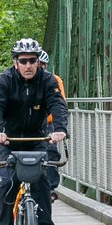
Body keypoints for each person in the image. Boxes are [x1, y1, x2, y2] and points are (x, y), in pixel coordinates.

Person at [0, 38, 68, 225]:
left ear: (38, 62)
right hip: (9, 140)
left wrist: (59, 129)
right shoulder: (5, 80)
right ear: (15, 62)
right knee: (8, 181)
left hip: (37, 139)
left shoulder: (47, 80)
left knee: (42, 180)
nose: (28, 65)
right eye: (23, 61)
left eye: (32, 60)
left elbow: (57, 104)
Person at [38, 51, 66, 192]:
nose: (40, 67)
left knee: (51, 150)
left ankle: (50, 188)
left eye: (43, 64)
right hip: (30, 123)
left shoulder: (54, 80)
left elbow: (59, 103)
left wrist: (60, 128)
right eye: (38, 64)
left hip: (48, 122)